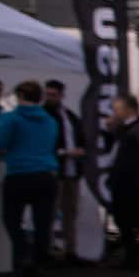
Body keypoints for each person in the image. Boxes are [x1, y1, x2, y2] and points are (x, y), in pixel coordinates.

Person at [0, 81, 61, 277]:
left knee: (11, 219)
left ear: (20, 96)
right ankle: (39, 258)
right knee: (42, 222)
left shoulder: (12, 118)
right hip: (46, 175)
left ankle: (22, 255)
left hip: (19, 174)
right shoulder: (50, 121)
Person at [108, 95, 139, 271]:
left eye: (117, 109)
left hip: (132, 182)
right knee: (122, 220)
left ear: (129, 109)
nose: (115, 113)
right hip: (119, 181)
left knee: (137, 219)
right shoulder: (123, 129)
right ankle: (131, 257)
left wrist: (135, 177)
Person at [42, 80, 85, 261]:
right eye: (48, 94)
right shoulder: (44, 115)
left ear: (61, 95)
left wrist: (81, 150)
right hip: (54, 170)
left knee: (71, 211)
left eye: (54, 95)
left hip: (72, 171)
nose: (50, 98)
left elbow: (81, 138)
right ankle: (46, 249)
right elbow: (43, 144)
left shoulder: (69, 116)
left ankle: (70, 249)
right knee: (50, 211)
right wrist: (64, 152)